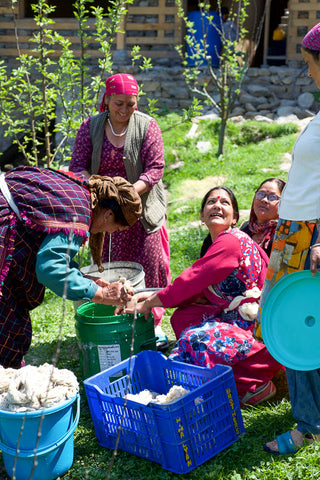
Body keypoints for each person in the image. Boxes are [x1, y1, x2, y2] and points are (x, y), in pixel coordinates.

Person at [122, 186, 282, 406]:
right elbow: (193, 290)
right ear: (202, 216)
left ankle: (250, 385)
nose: (217, 205)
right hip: (250, 327)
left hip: (259, 335)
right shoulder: (222, 244)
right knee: (183, 318)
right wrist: (152, 296)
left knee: (194, 340)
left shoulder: (232, 241)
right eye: (211, 202)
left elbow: (191, 280)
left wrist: (150, 302)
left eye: (224, 203)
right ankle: (224, 380)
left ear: (235, 218)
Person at [0, 166, 142, 369]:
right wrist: (100, 294)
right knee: (6, 328)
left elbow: (52, 249)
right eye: (117, 228)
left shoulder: (79, 191)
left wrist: (86, 280)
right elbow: (51, 268)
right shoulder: (79, 212)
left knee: (13, 325)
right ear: (108, 215)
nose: (111, 232)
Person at [69, 73, 171, 351]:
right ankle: (114, 318)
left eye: (130, 104)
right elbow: (77, 165)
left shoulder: (148, 126)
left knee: (150, 265)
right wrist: (100, 193)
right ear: (107, 100)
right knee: (113, 265)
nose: (124, 110)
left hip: (140, 206)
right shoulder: (90, 127)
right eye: (118, 104)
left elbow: (155, 168)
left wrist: (127, 196)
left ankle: (152, 321)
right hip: (104, 210)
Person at [255, 23, 320, 454]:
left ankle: (308, 425)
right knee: (286, 321)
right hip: (293, 231)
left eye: (311, 63)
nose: (309, 73)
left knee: (300, 329)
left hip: (310, 234)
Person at [200, 178, 286, 258]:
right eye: (261, 194)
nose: (264, 200)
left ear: (284, 203)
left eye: (272, 197)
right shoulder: (245, 228)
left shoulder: (283, 235)